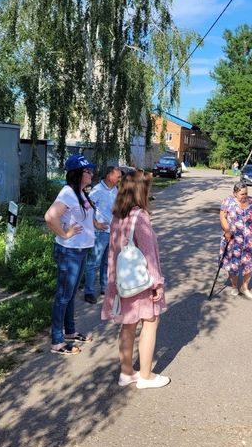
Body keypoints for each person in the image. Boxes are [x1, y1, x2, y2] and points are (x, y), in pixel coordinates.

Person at [101, 173, 170, 388]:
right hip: (142, 282)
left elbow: (112, 252)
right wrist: (157, 283)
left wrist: (113, 282)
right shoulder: (139, 217)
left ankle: (126, 372)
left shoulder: (117, 216)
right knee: (150, 322)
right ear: (141, 191)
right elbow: (149, 254)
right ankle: (146, 376)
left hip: (122, 281)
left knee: (128, 325)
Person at [44, 154, 96, 355]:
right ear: (76, 173)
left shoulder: (80, 193)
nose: (91, 174)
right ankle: (57, 341)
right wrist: (65, 234)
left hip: (80, 251)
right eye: (87, 171)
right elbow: (50, 217)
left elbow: (83, 218)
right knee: (63, 296)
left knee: (71, 294)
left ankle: (69, 332)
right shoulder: (67, 193)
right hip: (69, 252)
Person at [83, 166, 122, 304]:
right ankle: (88, 292)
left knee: (107, 262)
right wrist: (95, 223)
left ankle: (104, 288)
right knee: (94, 263)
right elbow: (86, 208)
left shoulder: (115, 189)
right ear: (109, 176)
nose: (119, 178)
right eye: (118, 176)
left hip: (112, 231)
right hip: (100, 232)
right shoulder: (97, 190)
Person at [219, 182, 252, 299]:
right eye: (242, 194)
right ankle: (234, 286)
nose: (244, 196)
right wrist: (227, 230)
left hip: (250, 239)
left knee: (249, 263)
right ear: (235, 193)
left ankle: (245, 287)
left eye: (246, 193)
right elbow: (222, 217)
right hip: (233, 239)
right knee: (233, 264)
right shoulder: (228, 202)